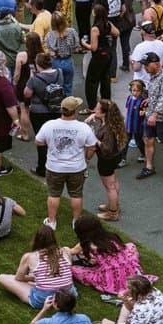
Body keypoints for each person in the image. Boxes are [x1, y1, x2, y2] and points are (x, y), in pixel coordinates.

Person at [33, 94, 100, 229]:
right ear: (75, 111)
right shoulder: (83, 128)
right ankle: (76, 221)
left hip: (54, 167)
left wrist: (51, 146)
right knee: (76, 194)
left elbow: (38, 141)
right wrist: (86, 159)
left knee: (53, 194)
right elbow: (92, 146)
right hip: (77, 168)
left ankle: (52, 222)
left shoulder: (49, 125)